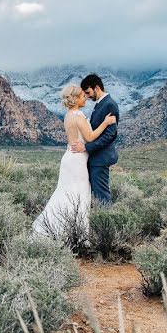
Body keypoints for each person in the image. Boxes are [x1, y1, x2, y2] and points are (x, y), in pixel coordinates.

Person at [32, 83, 117, 237]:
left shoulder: (68, 115)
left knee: (65, 192)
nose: (85, 98)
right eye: (82, 96)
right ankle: (77, 234)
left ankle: (55, 227)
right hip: (78, 159)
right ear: (76, 98)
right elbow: (90, 137)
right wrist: (105, 123)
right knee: (80, 194)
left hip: (69, 157)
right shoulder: (79, 115)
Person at [70, 73, 119, 205]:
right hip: (95, 157)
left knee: (102, 195)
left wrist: (86, 147)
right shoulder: (100, 104)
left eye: (88, 92)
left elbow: (110, 135)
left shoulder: (109, 105)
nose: (86, 96)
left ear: (96, 87)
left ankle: (106, 223)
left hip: (101, 158)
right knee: (97, 195)